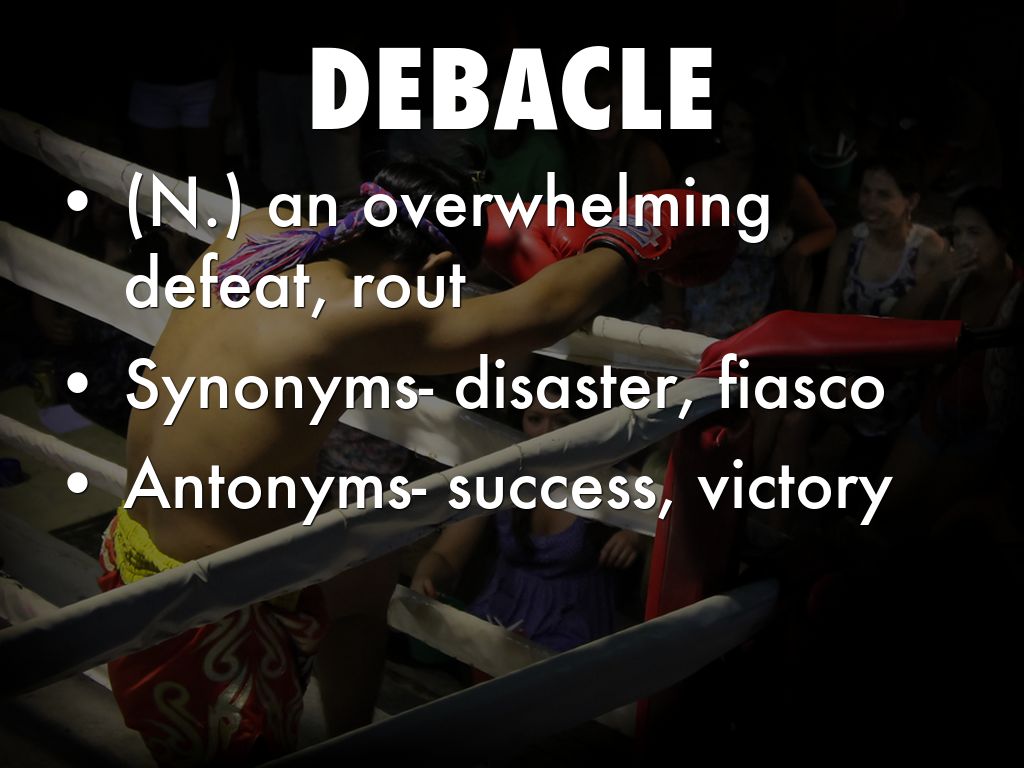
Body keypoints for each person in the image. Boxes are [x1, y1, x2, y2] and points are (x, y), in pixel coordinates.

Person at [100, 155, 731, 765]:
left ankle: (351, 741)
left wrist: (484, 225)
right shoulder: (349, 314)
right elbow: (544, 314)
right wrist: (635, 237)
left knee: (366, 574)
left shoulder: (261, 229)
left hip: (132, 546)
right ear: (436, 263)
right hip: (208, 615)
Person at [410, 365, 644, 652]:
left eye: (563, 421)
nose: (547, 433)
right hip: (498, 617)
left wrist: (636, 536)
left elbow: (668, 521)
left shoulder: (614, 475)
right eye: (535, 419)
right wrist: (425, 577)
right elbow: (447, 554)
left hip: (573, 630)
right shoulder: (506, 471)